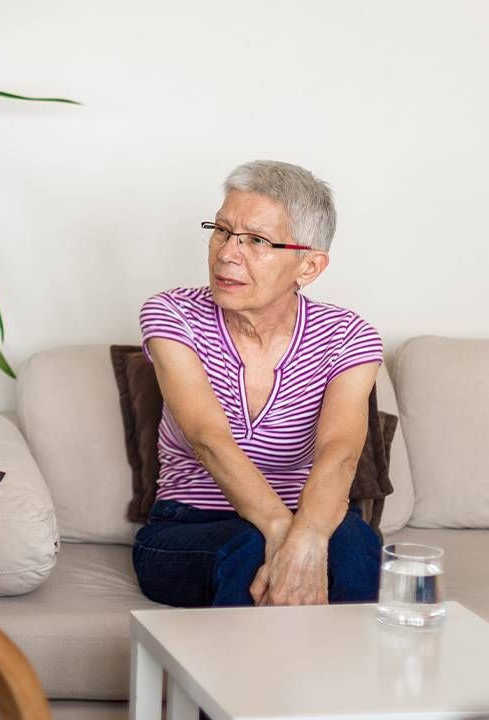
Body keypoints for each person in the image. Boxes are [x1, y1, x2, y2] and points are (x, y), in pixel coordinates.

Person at [132, 160, 383, 608]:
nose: (228, 253)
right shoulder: (172, 315)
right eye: (222, 231)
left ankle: (347, 677)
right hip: (189, 524)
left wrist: (306, 537)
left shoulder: (348, 335)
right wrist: (284, 537)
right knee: (248, 554)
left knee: (356, 554)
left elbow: (340, 453)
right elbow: (208, 439)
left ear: (308, 266)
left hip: (311, 515)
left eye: (257, 241)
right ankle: (245, 679)